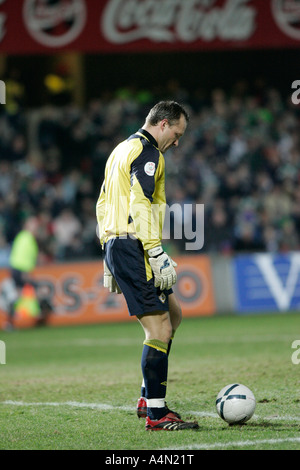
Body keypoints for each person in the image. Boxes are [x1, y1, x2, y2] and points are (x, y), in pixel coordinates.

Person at [96, 101, 199, 431]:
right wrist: (155, 252)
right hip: (133, 245)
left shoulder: (120, 150)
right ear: (164, 124)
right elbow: (140, 201)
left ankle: (147, 397)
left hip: (120, 242)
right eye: (178, 134)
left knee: (174, 315)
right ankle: (156, 413)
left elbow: (103, 203)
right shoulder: (148, 153)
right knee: (159, 330)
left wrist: (106, 252)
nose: (178, 142)